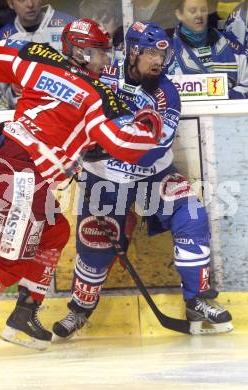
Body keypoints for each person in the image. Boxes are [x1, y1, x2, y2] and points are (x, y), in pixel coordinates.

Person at [0, 18, 164, 359]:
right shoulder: (95, 96)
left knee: (55, 232)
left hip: (9, 165)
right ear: (84, 52)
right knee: (9, 265)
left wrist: (27, 52)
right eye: (102, 53)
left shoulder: (41, 60)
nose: (108, 61)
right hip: (22, 179)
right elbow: (127, 143)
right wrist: (151, 121)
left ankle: (25, 315)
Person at [51, 21, 233, 340]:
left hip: (154, 176)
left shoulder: (167, 94)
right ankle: (79, 309)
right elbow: (69, 110)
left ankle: (197, 300)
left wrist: (103, 143)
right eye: (150, 53)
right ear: (133, 52)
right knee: (94, 244)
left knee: (192, 216)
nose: (157, 62)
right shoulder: (102, 76)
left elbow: (151, 151)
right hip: (105, 180)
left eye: (162, 55)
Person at [0, 0, 75, 109]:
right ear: (11, 4)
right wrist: (12, 90)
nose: (30, 4)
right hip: (22, 117)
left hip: (68, 113)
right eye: (22, 0)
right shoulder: (0, 40)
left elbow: (92, 72)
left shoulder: (70, 27)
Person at [167, 0, 248, 99]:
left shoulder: (231, 45)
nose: (199, 15)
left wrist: (226, 100)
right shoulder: (167, 51)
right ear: (179, 14)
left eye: (203, 10)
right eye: (193, 11)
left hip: (229, 112)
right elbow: (162, 92)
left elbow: (246, 83)